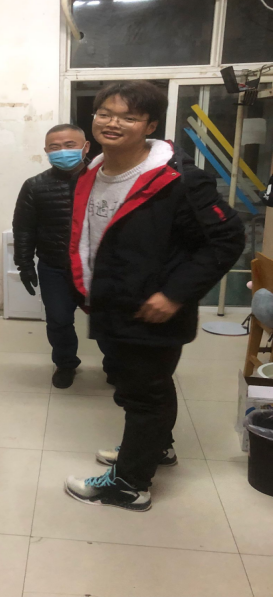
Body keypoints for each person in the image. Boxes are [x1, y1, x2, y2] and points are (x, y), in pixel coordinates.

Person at [65, 81, 245, 511]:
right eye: (105, 113)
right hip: (112, 302)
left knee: (144, 395)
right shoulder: (92, 171)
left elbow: (226, 239)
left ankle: (129, 484)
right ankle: (154, 448)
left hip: (153, 309)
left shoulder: (179, 180)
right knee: (144, 387)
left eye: (128, 117)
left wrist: (175, 294)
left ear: (150, 125)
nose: (112, 123)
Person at [13, 124, 90, 389]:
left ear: (85, 147)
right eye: (54, 147)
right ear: (46, 151)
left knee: (107, 320)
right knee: (58, 320)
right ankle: (66, 363)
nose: (62, 151)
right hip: (55, 266)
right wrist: (24, 264)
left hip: (97, 267)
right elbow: (24, 228)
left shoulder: (104, 179)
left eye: (69, 145)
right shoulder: (35, 186)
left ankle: (115, 365)